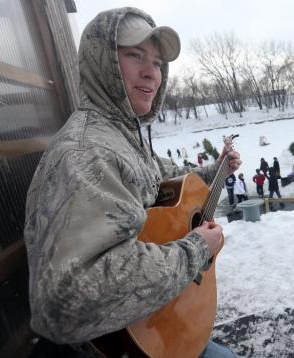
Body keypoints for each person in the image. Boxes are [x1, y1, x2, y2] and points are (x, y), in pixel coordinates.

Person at [23, 7, 241, 357]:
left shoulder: (122, 134)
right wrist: (197, 249)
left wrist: (213, 174)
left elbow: (160, 180)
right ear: (102, 62)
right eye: (135, 55)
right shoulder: (86, 153)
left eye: (157, 63)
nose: (150, 74)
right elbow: (69, 301)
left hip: (146, 326)